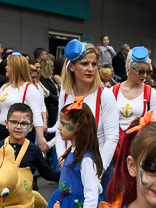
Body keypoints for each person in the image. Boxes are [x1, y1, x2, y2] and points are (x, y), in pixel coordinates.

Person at [49, 40, 118, 183]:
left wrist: (100, 171)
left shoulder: (104, 95)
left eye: (94, 64)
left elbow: (111, 137)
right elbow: (59, 129)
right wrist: (62, 157)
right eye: (85, 63)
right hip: (71, 167)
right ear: (72, 66)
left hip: (98, 168)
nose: (91, 69)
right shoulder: (66, 94)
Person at [0, 53, 47, 150]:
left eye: (9, 65)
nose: (6, 67)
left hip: (21, 134)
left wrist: (40, 138)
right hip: (3, 132)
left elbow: (36, 115)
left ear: (16, 68)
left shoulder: (30, 89)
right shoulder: (4, 87)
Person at [112, 47, 156, 132]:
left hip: (140, 143)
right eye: (141, 72)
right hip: (116, 142)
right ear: (129, 68)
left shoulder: (151, 93)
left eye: (148, 72)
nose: (145, 76)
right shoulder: (113, 91)